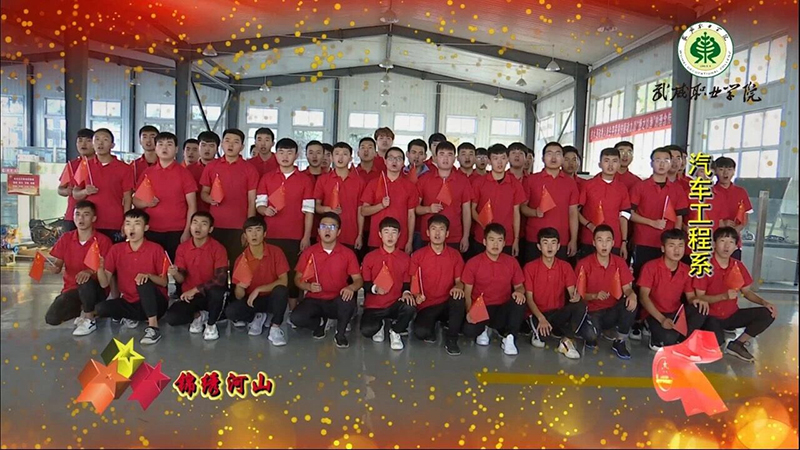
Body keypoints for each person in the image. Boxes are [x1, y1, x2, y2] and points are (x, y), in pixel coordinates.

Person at [694, 227, 777, 362]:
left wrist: (764, 302)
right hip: (710, 317)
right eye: (722, 241)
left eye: (731, 242)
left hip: (732, 314)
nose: (727, 246)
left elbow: (747, 292)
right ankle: (708, 338)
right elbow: (699, 297)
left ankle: (738, 344)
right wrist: (723, 296)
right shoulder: (704, 266)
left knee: (768, 313)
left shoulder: (737, 265)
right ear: (714, 244)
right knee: (717, 347)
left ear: (735, 246)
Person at [256, 137, 315, 311]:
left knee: (292, 274)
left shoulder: (305, 180)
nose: (285, 156)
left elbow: (309, 211)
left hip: (294, 236)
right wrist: (264, 210)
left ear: (296, 155)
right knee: (269, 273)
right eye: (281, 152)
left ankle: (292, 311)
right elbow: (259, 204)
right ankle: (268, 311)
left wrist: (306, 236)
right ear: (276, 155)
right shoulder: (267, 178)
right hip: (271, 235)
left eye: (289, 153)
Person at [96, 209, 169, 345]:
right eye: (128, 224)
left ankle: (153, 327)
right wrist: (99, 269)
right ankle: (135, 317)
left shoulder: (155, 249)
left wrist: (148, 276)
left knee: (143, 281)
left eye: (137, 224)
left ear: (146, 228)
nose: (132, 228)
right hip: (130, 301)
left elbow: (164, 282)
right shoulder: (116, 250)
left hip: (156, 302)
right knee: (101, 308)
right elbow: (104, 283)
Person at [291, 212, 364, 348]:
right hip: (314, 299)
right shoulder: (309, 252)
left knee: (348, 303)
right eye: (323, 226)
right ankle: (320, 323)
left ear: (338, 232)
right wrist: (308, 287)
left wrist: (351, 287)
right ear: (318, 231)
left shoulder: (347, 253)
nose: (327, 230)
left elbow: (358, 280)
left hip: (337, 299)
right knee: (296, 318)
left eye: (332, 227)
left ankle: (340, 334)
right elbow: (297, 279)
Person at [44, 200, 113, 336]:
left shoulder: (103, 241)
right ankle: (84, 309)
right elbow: (58, 264)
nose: (81, 218)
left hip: (95, 290)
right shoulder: (66, 238)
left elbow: (106, 271)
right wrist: (54, 268)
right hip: (72, 289)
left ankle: (89, 319)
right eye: (77, 214)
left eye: (86, 215)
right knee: (52, 318)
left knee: (85, 280)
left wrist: (89, 271)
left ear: (94, 218)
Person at [524, 228, 594, 359]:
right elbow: (529, 298)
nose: (549, 247)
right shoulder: (530, 267)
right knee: (541, 341)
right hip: (538, 313)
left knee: (580, 305)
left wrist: (575, 296)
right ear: (539, 246)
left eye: (553, 243)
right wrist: (541, 318)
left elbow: (572, 291)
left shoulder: (565, 266)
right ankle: (539, 331)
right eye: (545, 243)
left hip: (558, 312)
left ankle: (567, 340)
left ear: (558, 246)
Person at [224, 216, 291, 346]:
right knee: (231, 312)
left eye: (258, 230)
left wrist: (259, 289)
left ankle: (275, 328)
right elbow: (239, 296)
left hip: (272, 298)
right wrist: (241, 287)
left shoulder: (276, 252)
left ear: (264, 234)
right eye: (250, 231)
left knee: (281, 291)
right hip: (252, 300)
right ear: (245, 236)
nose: (254, 234)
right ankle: (257, 317)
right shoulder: (241, 259)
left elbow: (284, 281)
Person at [638, 229, 710, 350]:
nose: (677, 250)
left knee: (700, 309)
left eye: (680, 246)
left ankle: (681, 340)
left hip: (675, 313)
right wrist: (662, 319)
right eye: (672, 246)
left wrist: (698, 300)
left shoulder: (686, 269)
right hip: (654, 313)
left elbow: (690, 297)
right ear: (663, 248)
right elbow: (643, 297)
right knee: (668, 339)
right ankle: (651, 329)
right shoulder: (650, 267)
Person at [461, 223, 527, 356]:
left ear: (504, 243)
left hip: (502, 308)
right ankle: (484, 329)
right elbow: (467, 293)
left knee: (520, 301)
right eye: (491, 240)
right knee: (469, 331)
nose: (495, 244)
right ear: (484, 242)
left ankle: (510, 338)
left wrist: (520, 292)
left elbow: (520, 286)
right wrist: (469, 312)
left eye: (499, 240)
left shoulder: (512, 262)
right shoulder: (473, 263)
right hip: (481, 308)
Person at [162, 211, 229, 340]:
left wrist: (196, 289)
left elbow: (220, 279)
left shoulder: (218, 248)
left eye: (203, 224)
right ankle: (199, 316)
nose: (198, 227)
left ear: (210, 229)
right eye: (195, 223)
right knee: (172, 317)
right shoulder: (182, 248)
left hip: (210, 295)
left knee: (217, 292)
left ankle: (211, 324)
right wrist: (175, 273)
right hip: (190, 296)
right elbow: (181, 278)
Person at [199, 129, 259, 270]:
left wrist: (248, 229)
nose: (230, 145)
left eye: (235, 142)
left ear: (242, 147)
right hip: (215, 225)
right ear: (222, 144)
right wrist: (209, 199)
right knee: (213, 265)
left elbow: (252, 201)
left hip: (239, 226)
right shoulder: (211, 166)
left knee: (237, 266)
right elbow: (203, 193)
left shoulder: (249, 169)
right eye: (227, 141)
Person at [133, 131, 197, 261]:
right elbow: (136, 201)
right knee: (151, 266)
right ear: (156, 148)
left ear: (176, 149)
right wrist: (146, 203)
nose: (164, 148)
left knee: (176, 267)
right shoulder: (148, 173)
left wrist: (187, 231)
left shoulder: (184, 174)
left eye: (169, 144)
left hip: (177, 231)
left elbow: (192, 205)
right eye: (160, 144)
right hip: (151, 229)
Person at [575, 225, 637, 359]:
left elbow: (627, 288)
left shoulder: (619, 262)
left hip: (611, 310)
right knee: (591, 336)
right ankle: (592, 331)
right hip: (591, 311)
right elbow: (578, 296)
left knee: (631, 302)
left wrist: (632, 294)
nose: (604, 245)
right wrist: (595, 296)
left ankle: (620, 341)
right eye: (600, 240)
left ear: (613, 243)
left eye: (608, 240)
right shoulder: (584, 264)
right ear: (593, 243)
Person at [409, 214, 466, 355]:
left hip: (446, 303)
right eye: (434, 229)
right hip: (426, 305)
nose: (437, 233)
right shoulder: (418, 256)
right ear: (428, 233)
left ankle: (451, 339)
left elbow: (460, 282)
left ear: (447, 233)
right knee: (421, 332)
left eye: (441, 229)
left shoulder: (455, 255)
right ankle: (434, 325)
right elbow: (414, 283)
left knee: (458, 299)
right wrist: (416, 295)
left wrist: (458, 287)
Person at [629, 147, 689, 279]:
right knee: (642, 277)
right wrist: (652, 223)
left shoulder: (677, 189)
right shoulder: (640, 186)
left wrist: (675, 239)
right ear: (651, 163)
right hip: (644, 241)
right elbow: (629, 214)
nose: (662, 164)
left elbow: (679, 217)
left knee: (665, 279)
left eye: (666, 160)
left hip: (668, 244)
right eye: (658, 160)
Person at [360, 217, 416, 351]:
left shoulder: (405, 258)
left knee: (410, 307)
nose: (390, 236)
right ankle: (379, 325)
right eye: (386, 232)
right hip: (374, 306)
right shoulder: (370, 257)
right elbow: (364, 283)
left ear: (399, 235)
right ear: (380, 234)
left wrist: (406, 292)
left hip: (395, 304)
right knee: (367, 330)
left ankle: (395, 331)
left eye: (394, 232)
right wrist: (375, 289)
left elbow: (407, 282)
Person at [71, 128, 133, 244]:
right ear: (93, 144)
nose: (100, 143)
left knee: (113, 254)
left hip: (114, 222)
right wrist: (85, 192)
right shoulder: (85, 166)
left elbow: (128, 198)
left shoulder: (124, 168)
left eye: (105, 140)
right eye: (97, 140)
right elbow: (75, 194)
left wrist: (126, 221)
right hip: (90, 223)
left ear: (112, 145)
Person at [522, 142, 579, 262]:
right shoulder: (531, 180)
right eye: (549, 154)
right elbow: (522, 207)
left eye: (557, 154)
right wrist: (535, 212)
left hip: (561, 239)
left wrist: (573, 239)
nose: (553, 158)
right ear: (543, 158)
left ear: (562, 158)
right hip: (535, 238)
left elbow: (573, 213)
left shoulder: (570, 183)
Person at [415, 141, 472, 254]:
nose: (445, 158)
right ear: (435, 158)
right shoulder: (424, 179)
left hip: (454, 236)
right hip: (429, 236)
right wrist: (428, 209)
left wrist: (466, 236)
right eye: (442, 154)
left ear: (454, 158)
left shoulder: (463, 181)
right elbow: (415, 208)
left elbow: (466, 211)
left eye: (449, 155)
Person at [470, 144, 526, 257]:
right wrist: (483, 223)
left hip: (506, 239)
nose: (499, 162)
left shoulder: (515, 184)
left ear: (507, 160)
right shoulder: (479, 183)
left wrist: (516, 239)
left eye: (503, 158)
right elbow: (472, 209)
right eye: (495, 158)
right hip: (482, 237)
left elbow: (516, 213)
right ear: (489, 161)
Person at [577, 147, 631, 260]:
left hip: (614, 241)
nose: (610, 165)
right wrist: (589, 225)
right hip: (589, 239)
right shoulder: (588, 185)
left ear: (619, 164)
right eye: (606, 161)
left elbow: (624, 217)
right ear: (600, 164)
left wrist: (624, 242)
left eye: (614, 161)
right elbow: (575, 212)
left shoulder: (622, 188)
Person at [361, 147, 418, 254]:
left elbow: (411, 215)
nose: (394, 161)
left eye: (398, 159)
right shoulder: (374, 184)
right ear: (385, 161)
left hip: (401, 240)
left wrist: (409, 241)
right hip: (376, 239)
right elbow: (364, 211)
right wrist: (381, 206)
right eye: (391, 158)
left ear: (403, 163)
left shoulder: (409, 186)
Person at [314, 142, 364, 253]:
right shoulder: (323, 179)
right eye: (337, 154)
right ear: (331, 157)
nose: (340, 158)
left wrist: (360, 234)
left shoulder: (359, 182)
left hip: (350, 235)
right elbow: (317, 207)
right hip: (327, 235)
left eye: (345, 154)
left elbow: (360, 210)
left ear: (350, 158)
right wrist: (328, 209)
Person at [710, 156, 752, 260]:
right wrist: (721, 224)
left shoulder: (741, 192)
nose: (725, 173)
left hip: (734, 244)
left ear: (733, 172)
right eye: (721, 169)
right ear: (715, 172)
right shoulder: (709, 192)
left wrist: (734, 232)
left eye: (729, 169)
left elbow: (745, 218)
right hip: (712, 242)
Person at [58, 128, 95, 231]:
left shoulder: (100, 165)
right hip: (72, 216)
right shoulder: (71, 165)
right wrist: (66, 191)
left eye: (88, 141)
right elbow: (60, 189)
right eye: (80, 140)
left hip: (95, 216)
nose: (83, 144)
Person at [183, 138, 210, 213]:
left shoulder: (209, 168)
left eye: (195, 150)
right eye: (188, 149)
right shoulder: (180, 171)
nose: (191, 152)